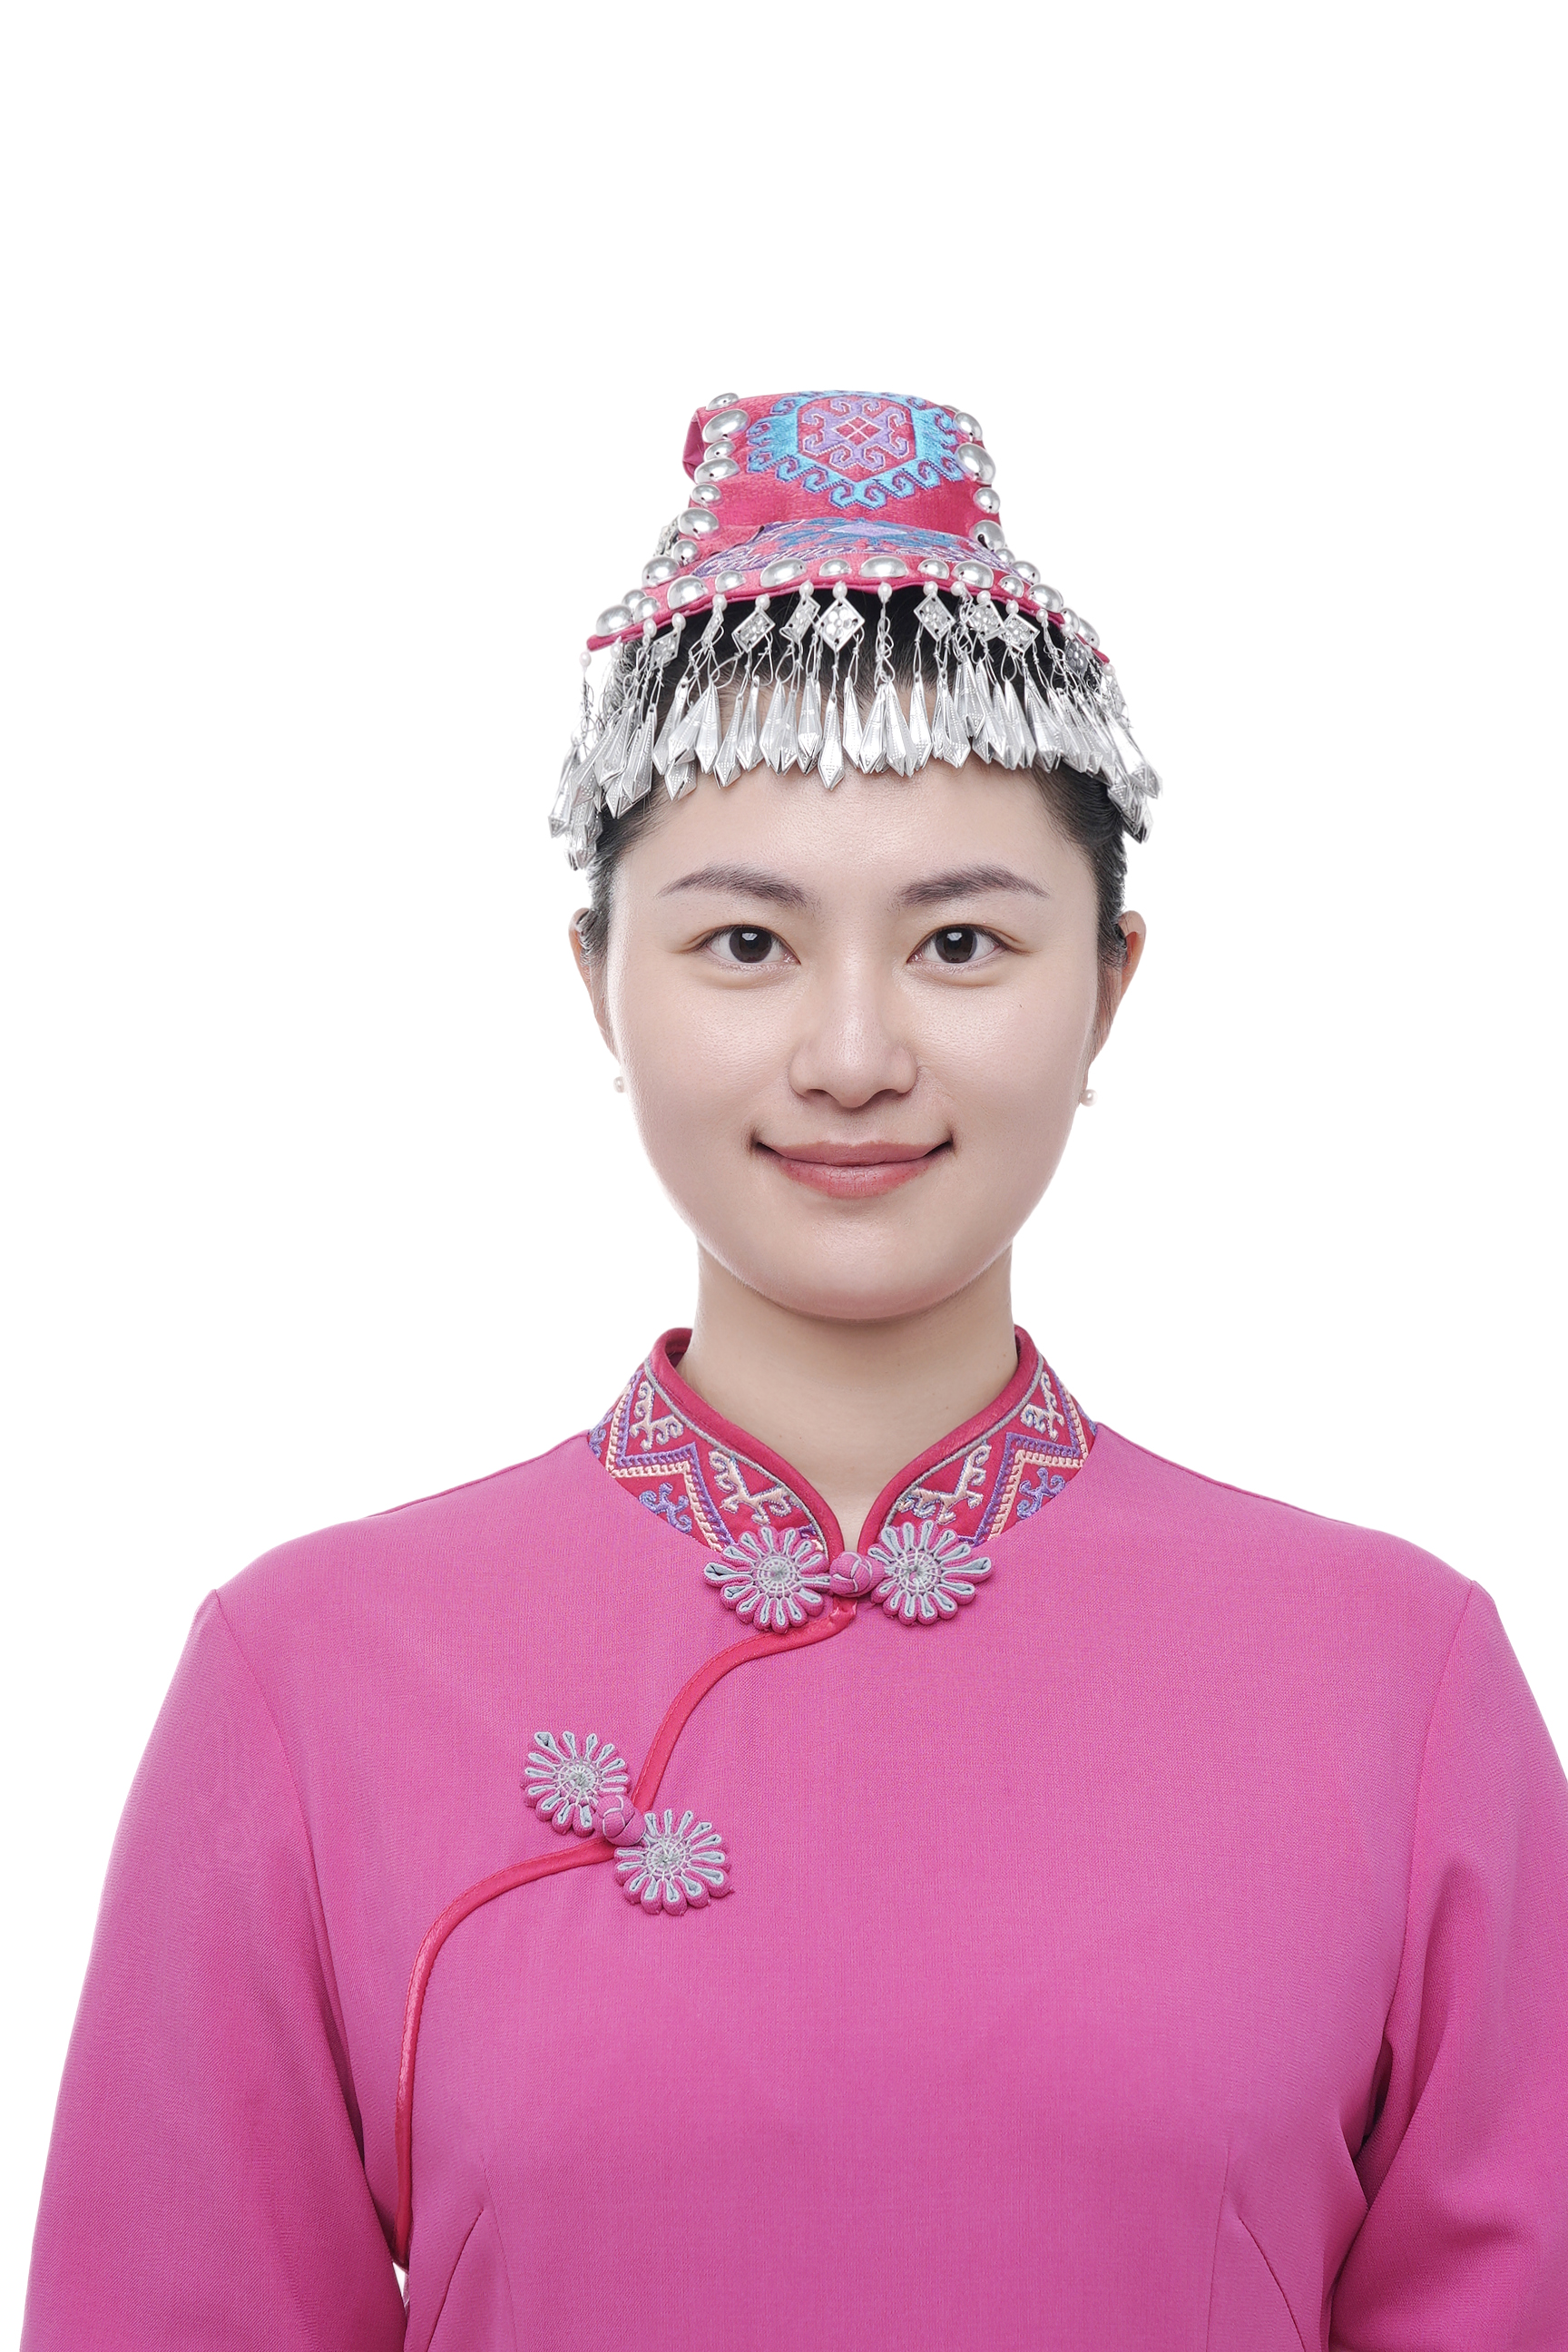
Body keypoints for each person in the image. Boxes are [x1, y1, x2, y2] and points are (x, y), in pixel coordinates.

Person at [24, 389, 1568, 2350]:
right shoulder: (310, 1678)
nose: (852, 1055)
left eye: (961, 946)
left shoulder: (1396, 1684)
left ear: (1110, 985)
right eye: (746, 946)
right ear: (598, 985)